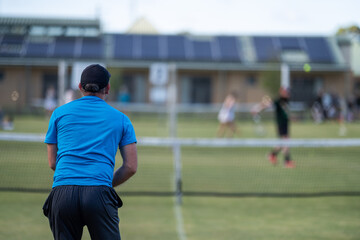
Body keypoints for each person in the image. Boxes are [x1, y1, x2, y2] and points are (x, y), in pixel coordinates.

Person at [43, 64, 138, 240]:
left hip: (62, 194)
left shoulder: (58, 114)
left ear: (80, 87)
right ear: (107, 88)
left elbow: (52, 162)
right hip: (99, 193)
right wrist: (104, 183)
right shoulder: (122, 119)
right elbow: (131, 166)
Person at [252, 87, 295, 168]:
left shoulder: (286, 101)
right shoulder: (278, 101)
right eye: (286, 92)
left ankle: (272, 155)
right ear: (282, 93)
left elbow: (286, 113)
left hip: (285, 124)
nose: (288, 94)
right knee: (286, 142)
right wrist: (257, 109)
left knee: (282, 143)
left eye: (288, 92)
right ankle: (287, 161)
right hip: (281, 124)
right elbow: (267, 105)